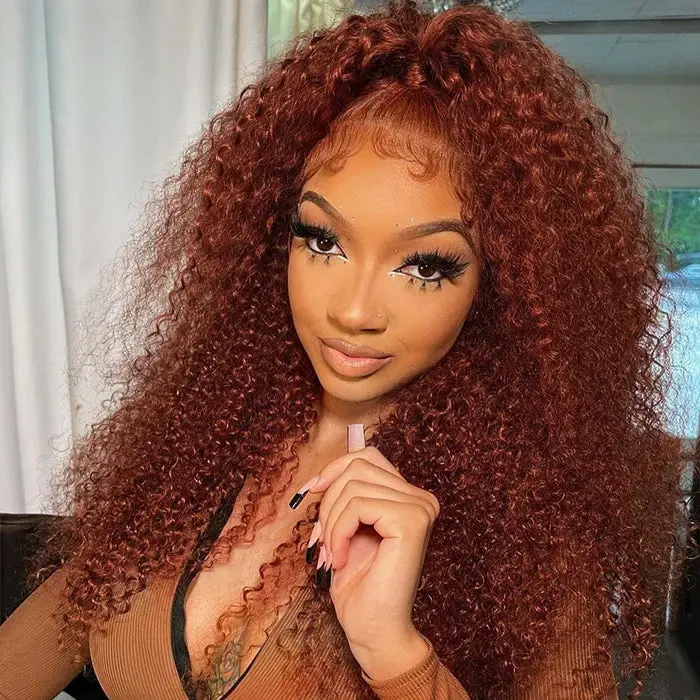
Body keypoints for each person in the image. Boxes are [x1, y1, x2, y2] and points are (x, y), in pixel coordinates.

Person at [0, 1, 693, 699]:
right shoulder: (193, 452)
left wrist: (394, 653)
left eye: (426, 266)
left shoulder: (537, 543)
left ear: (501, 288)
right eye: (323, 240)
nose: (354, 311)